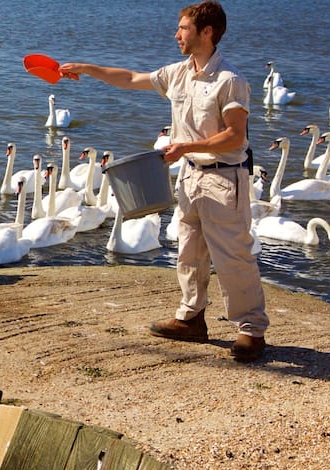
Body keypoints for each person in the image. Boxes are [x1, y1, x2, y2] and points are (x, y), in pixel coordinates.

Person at [59, 0, 268, 362]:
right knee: (188, 252)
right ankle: (191, 318)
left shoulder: (229, 80)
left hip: (223, 179)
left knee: (233, 258)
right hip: (189, 176)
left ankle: (251, 330)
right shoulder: (178, 73)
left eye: (183, 28)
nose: (176, 35)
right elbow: (130, 78)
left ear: (206, 32)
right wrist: (86, 69)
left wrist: (187, 146)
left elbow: (235, 136)